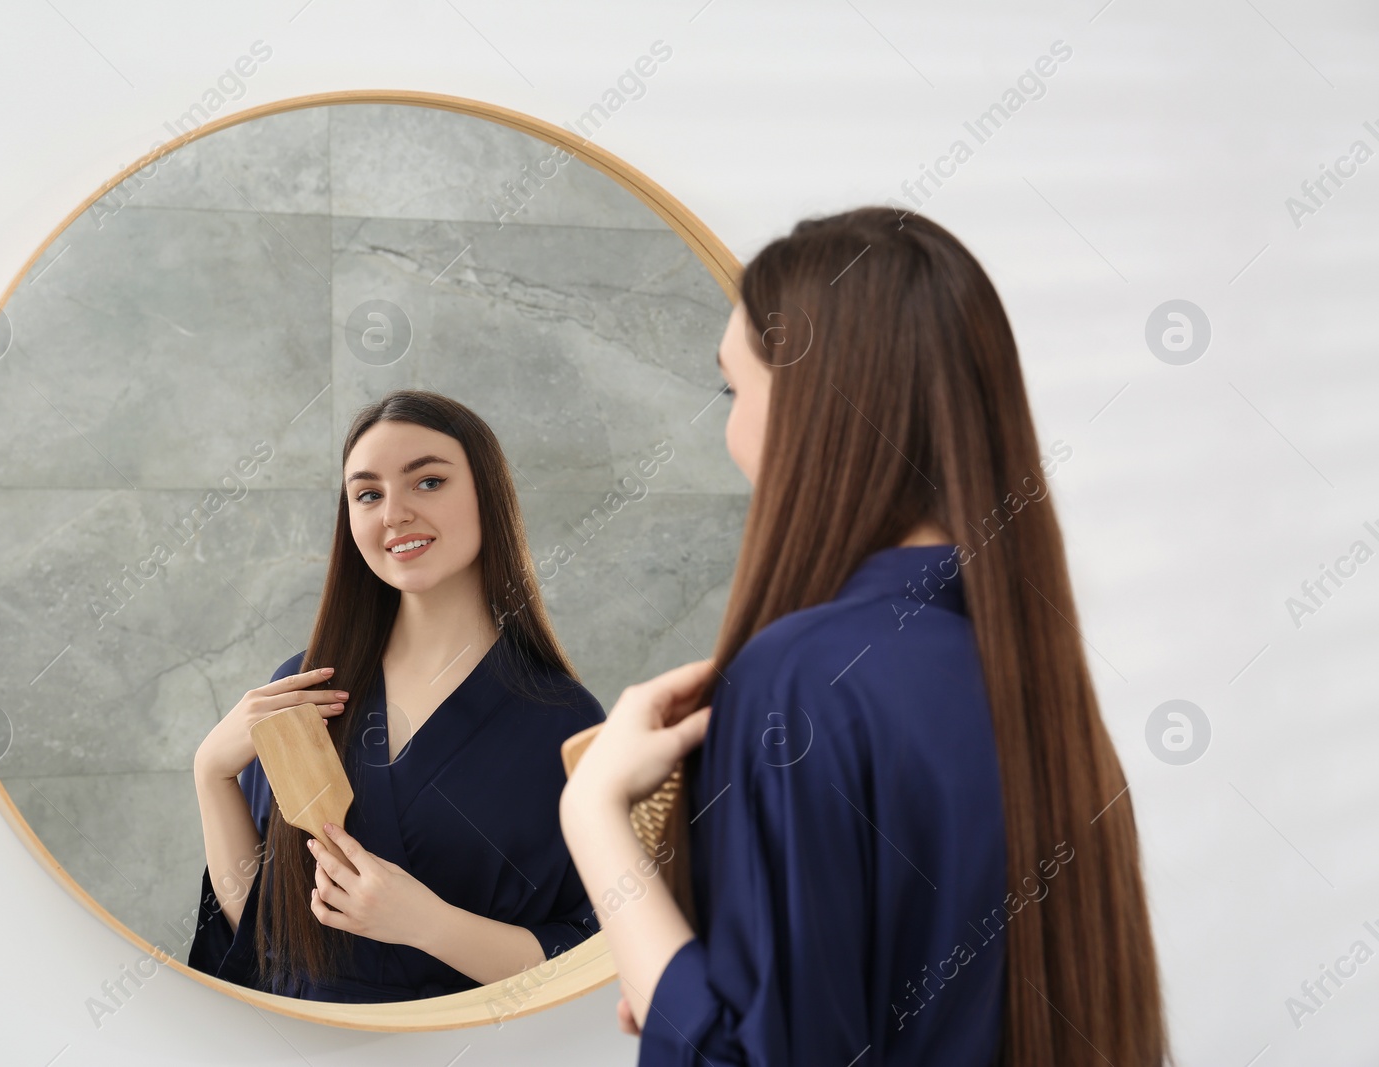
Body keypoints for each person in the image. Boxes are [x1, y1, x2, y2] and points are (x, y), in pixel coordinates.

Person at [560, 207, 1170, 1065]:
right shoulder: (1030, 677)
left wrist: (592, 816)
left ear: (815, 409)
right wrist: (683, 979)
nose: (731, 431)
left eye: (734, 391)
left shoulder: (802, 676)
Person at [189, 390, 606, 1003]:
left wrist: (430, 926)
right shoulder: (306, 689)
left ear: (488, 495)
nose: (394, 514)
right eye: (368, 494)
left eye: (428, 482)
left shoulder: (564, 721)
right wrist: (210, 775)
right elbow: (259, 934)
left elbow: (590, 956)